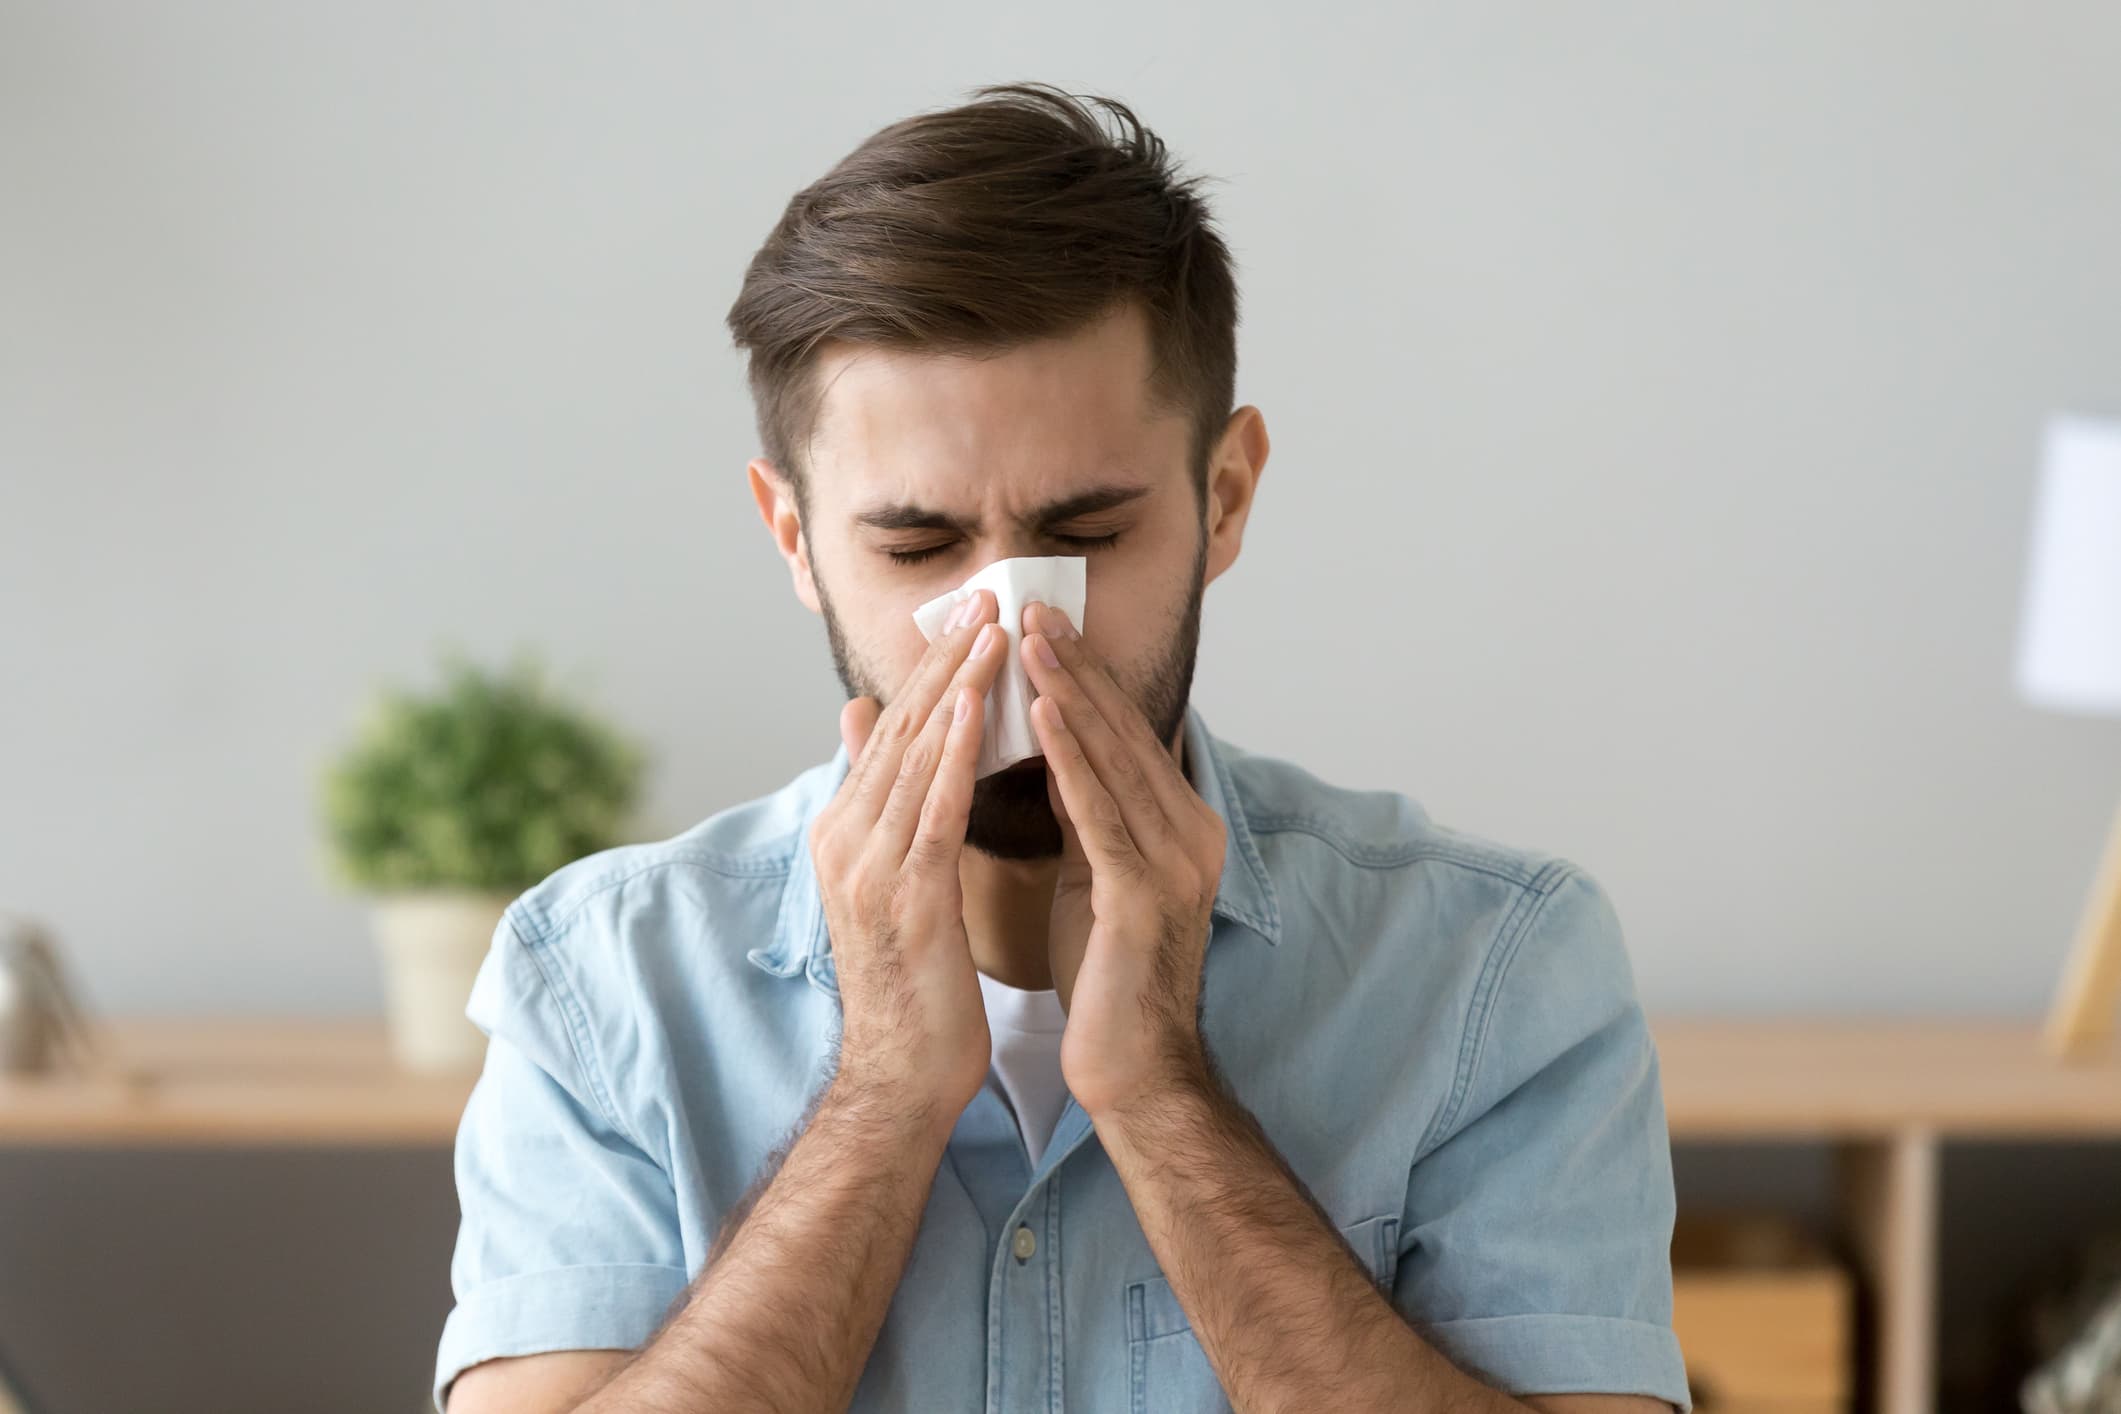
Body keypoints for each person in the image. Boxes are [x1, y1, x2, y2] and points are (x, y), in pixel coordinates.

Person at [435, 81, 1690, 1414]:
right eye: (917, 546)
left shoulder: (1492, 971)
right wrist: (876, 1104)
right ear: (793, 536)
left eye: (1085, 537)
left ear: (1224, 497)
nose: (1011, 631)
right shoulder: (603, 982)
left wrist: (1160, 1094)